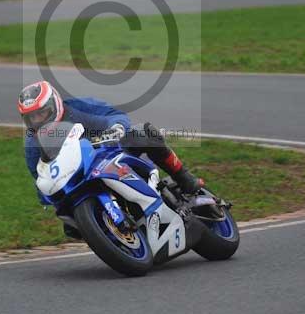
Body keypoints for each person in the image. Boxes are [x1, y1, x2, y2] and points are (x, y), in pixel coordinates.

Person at [18, 80, 204, 238]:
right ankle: (109, 232)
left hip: (108, 151)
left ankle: (184, 177)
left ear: (54, 104)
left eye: (41, 113)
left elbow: (112, 114)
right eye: (31, 117)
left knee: (144, 133)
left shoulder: (78, 107)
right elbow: (40, 173)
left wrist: (116, 128)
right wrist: (46, 194)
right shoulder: (32, 143)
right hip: (76, 177)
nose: (38, 120)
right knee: (70, 226)